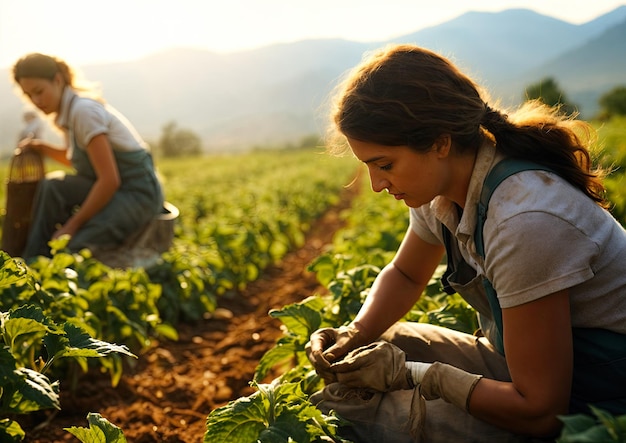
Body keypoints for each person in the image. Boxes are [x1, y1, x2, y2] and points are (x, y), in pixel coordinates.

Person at [306, 44, 626, 442]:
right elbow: (406, 274)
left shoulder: (524, 220)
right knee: (372, 347)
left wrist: (418, 376)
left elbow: (541, 411)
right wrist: (352, 334)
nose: (376, 185)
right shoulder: (443, 187)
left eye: (385, 165)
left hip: (598, 402)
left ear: (440, 144)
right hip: (540, 372)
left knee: (354, 411)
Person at [12, 53, 164, 259]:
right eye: (29, 95)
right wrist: (41, 148)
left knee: (75, 247)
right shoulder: (68, 113)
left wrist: (71, 226)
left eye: (39, 91)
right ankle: (32, 259)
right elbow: (75, 160)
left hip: (136, 194)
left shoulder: (83, 112)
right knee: (52, 186)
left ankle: (46, 260)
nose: (36, 101)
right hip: (115, 187)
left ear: (57, 80)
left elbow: (109, 180)